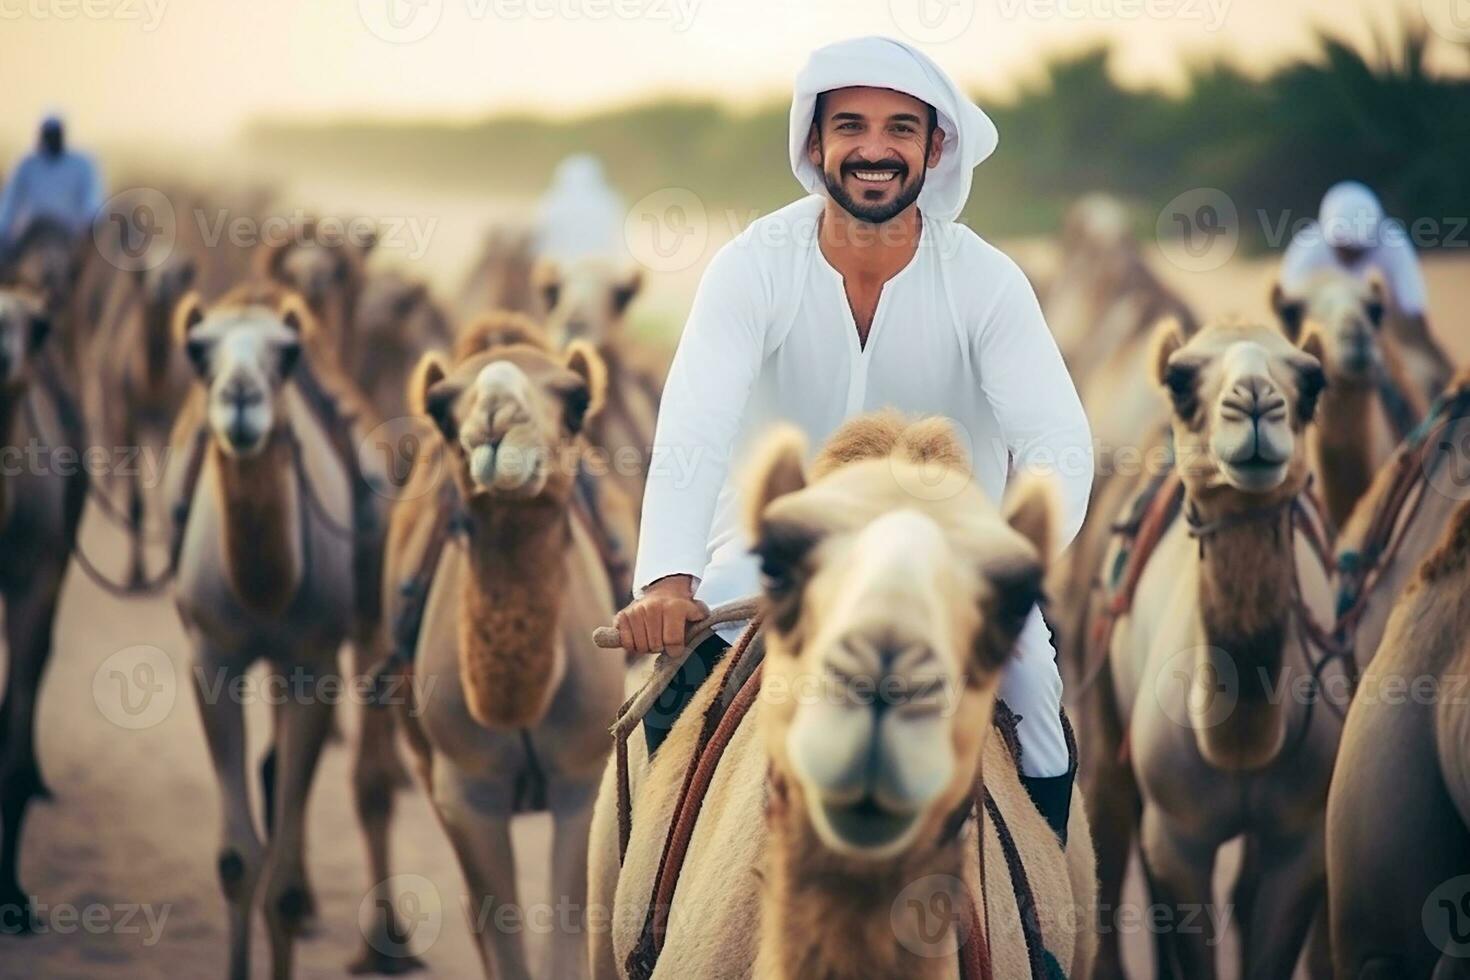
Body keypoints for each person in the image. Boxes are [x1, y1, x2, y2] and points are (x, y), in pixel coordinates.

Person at [615, 35, 1093, 842]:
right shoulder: (752, 264)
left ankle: (1042, 940)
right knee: (673, 691)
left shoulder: (985, 279)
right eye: (853, 126)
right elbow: (694, 424)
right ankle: (654, 925)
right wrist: (667, 577)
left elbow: (1059, 446)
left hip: (947, 558)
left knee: (1035, 695)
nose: (876, 149)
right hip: (778, 551)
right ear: (815, 142)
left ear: (935, 147)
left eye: (901, 128)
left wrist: (1001, 565)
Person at [1280, 180, 1451, 396]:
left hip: (1380, 333)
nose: (1350, 256)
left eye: (1357, 250)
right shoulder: (1307, 250)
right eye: (1344, 248)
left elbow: (1413, 311)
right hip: (1321, 334)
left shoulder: (1393, 245)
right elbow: (1289, 316)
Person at [0, 115, 104, 254]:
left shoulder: (81, 164)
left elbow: (90, 199)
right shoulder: (29, 164)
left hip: (67, 229)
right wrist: (3, 229)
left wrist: (91, 223)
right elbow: (12, 200)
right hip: (35, 227)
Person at [532, 153, 625, 263]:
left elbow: (539, 243)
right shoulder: (610, 201)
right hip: (599, 267)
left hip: (562, 269)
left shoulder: (550, 202)